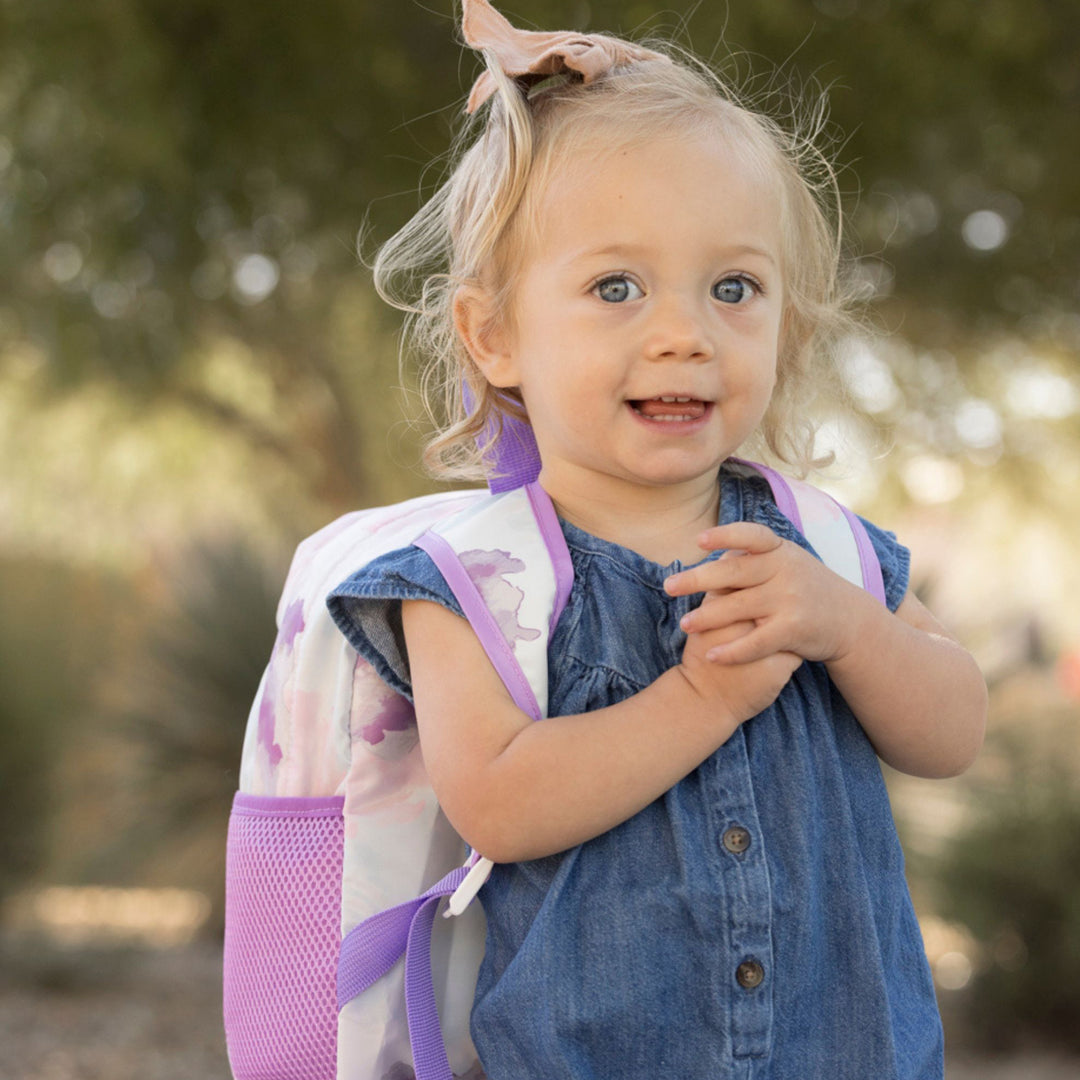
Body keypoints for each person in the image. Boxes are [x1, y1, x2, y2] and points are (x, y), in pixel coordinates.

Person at [332, 1, 988, 1076]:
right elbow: (498, 799)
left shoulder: (822, 545)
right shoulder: (479, 582)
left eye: (734, 287)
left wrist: (850, 632)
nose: (683, 332)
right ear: (493, 335)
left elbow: (954, 729)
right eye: (616, 287)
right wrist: (704, 699)